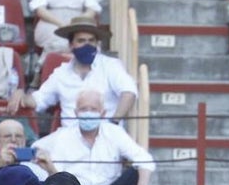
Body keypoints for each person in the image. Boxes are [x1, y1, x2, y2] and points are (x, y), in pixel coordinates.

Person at [7, 15, 138, 122]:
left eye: (91, 41)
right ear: (71, 45)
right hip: (69, 140)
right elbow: (39, 100)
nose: (87, 45)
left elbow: (128, 92)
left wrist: (114, 122)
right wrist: (20, 94)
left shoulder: (111, 66)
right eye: (81, 41)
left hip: (106, 136)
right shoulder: (61, 73)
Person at [32, 89, 156, 185]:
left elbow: (145, 159)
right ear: (76, 113)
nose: (88, 113)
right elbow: (36, 149)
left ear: (103, 113)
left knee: (135, 173)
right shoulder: (62, 136)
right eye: (83, 109)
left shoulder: (114, 132)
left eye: (93, 109)